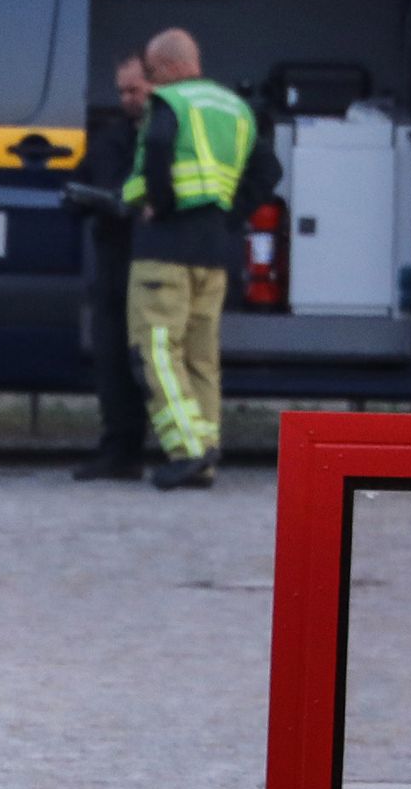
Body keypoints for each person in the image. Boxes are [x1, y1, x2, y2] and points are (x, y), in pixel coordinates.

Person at [124, 27, 282, 490]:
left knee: (156, 351)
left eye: (152, 73)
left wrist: (160, 202)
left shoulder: (171, 103)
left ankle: (189, 451)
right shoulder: (236, 109)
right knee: (200, 357)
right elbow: (269, 170)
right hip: (216, 250)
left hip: (165, 248)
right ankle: (206, 456)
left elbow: (155, 148)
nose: (150, 84)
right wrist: (232, 217)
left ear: (172, 67)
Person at [70, 52, 153, 482]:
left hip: (153, 263)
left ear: (154, 84)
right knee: (111, 362)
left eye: (134, 90)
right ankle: (119, 450)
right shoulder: (111, 137)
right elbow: (79, 184)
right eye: (121, 91)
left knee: (151, 364)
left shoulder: (163, 136)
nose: (126, 99)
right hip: (112, 266)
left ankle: (156, 450)